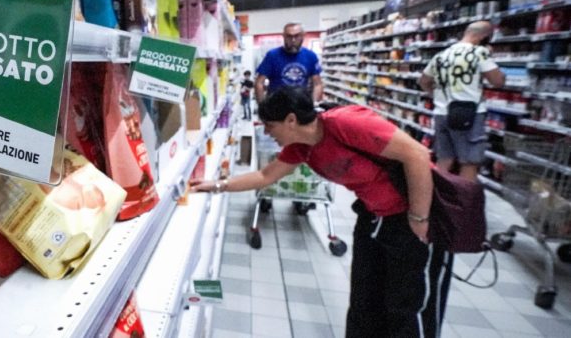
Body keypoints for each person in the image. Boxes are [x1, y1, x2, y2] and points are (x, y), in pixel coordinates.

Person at [192, 86, 453, 337]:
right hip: (372, 218)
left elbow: (417, 155)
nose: (268, 133)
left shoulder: (344, 122)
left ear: (291, 119)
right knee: (364, 301)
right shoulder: (300, 147)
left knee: (408, 308)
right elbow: (264, 176)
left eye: (271, 126)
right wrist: (215, 186)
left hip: (410, 218)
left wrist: (419, 218)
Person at [418, 21, 505, 181]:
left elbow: (423, 81)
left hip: (441, 113)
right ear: (483, 37)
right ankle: (466, 203)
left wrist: (437, 95)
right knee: (469, 162)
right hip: (468, 114)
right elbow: (498, 81)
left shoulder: (441, 55)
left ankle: (438, 198)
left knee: (444, 159)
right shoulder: (479, 52)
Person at [254, 22, 323, 102]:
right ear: (283, 36)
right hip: (277, 106)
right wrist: (262, 108)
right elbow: (259, 83)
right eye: (289, 36)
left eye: (296, 36)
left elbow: (317, 84)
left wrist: (314, 105)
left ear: (303, 36)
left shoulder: (310, 56)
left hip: (301, 106)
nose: (293, 40)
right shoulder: (272, 55)